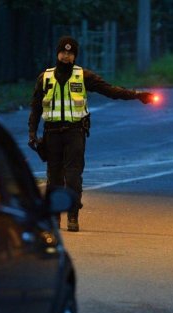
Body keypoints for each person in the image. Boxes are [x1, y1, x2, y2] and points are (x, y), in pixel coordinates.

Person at [28, 36, 155, 232]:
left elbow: (110, 90)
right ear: (57, 53)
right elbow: (36, 107)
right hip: (51, 133)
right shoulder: (45, 77)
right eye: (63, 52)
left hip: (75, 133)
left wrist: (136, 95)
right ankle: (54, 219)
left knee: (72, 177)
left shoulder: (83, 76)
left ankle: (72, 215)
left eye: (70, 53)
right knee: (54, 178)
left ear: (75, 56)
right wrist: (31, 133)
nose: (66, 56)